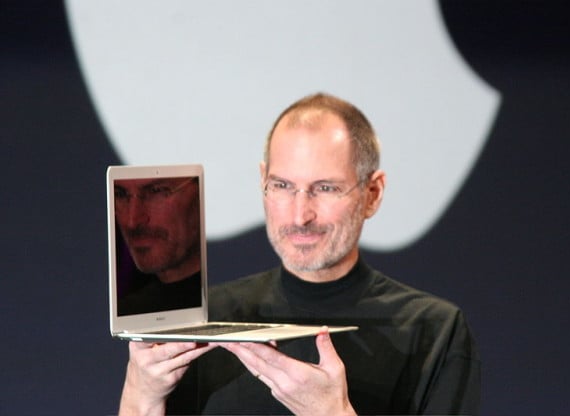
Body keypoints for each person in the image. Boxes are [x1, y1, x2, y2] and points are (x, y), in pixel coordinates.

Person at [119, 93, 480, 415]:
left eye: (325, 188)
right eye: (283, 186)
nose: (300, 215)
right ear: (263, 181)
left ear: (372, 194)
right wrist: (141, 395)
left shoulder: (434, 330)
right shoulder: (203, 322)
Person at [114, 176, 202, 315]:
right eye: (120, 194)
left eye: (157, 191)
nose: (132, 221)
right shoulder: (127, 312)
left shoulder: (232, 304)